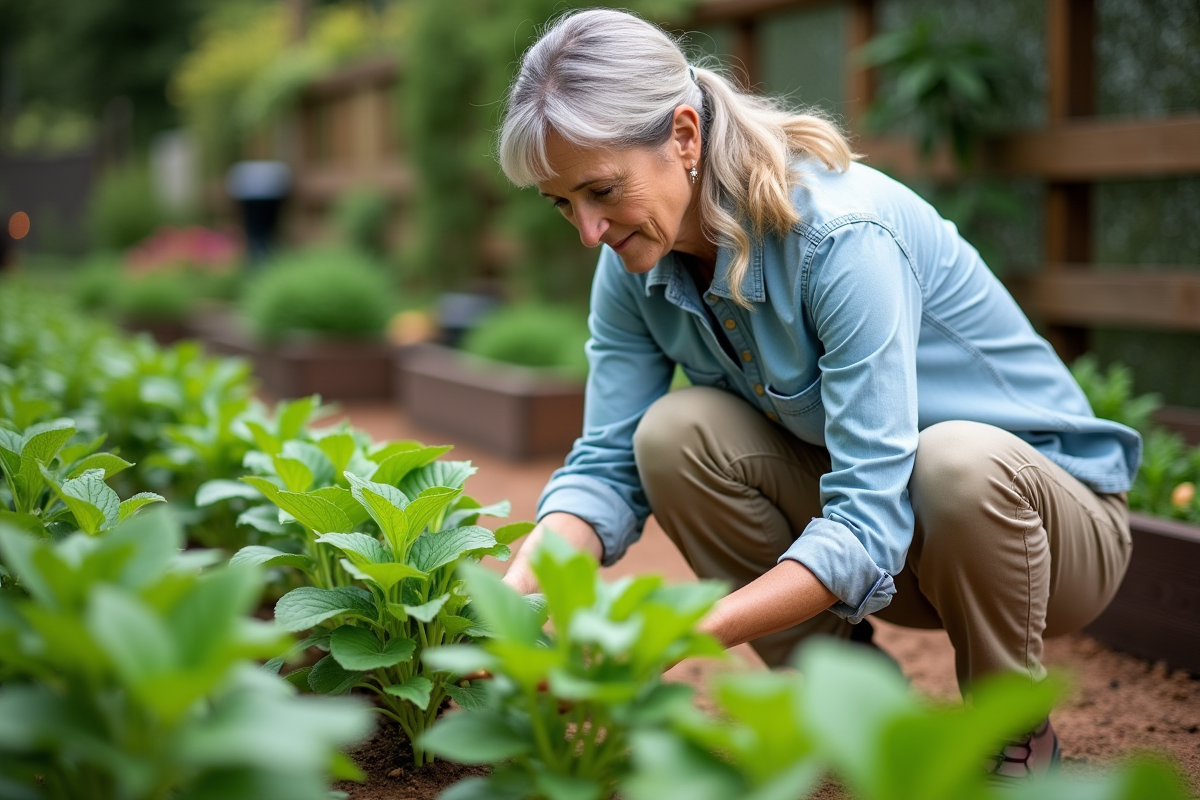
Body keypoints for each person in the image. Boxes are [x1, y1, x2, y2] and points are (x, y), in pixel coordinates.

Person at [496, 8, 1139, 779]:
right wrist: (515, 600)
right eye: (563, 202)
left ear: (685, 137)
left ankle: (1013, 735)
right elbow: (604, 466)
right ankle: (849, 698)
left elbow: (868, 518)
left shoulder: (839, 238)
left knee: (953, 461)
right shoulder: (639, 261)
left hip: (1045, 539)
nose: (588, 231)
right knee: (672, 434)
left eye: (601, 189)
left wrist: (679, 634)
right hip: (901, 545)